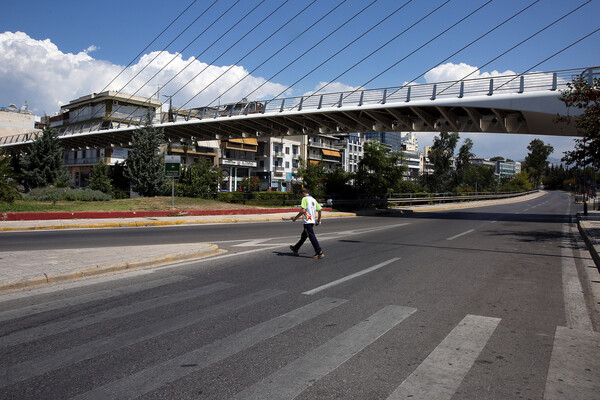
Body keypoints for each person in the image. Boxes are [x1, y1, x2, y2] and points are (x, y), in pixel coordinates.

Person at [290, 187, 324, 258]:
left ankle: (319, 252)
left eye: (301, 195)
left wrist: (295, 218)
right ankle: (296, 248)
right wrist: (319, 219)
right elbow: (320, 210)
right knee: (304, 236)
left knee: (311, 236)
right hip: (312, 221)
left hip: (307, 222)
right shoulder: (313, 200)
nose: (301, 196)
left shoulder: (304, 199)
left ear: (302, 193)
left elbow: (303, 210)